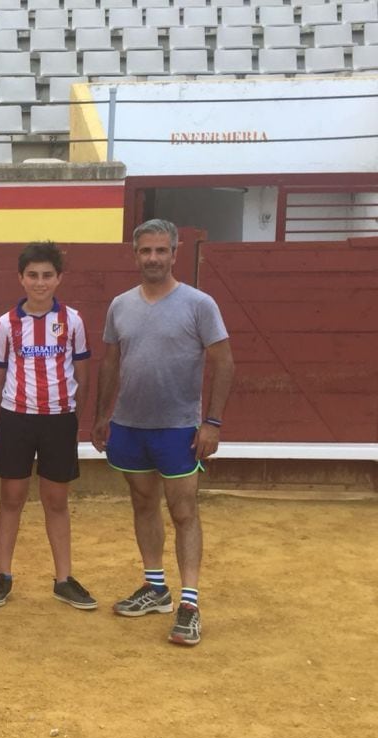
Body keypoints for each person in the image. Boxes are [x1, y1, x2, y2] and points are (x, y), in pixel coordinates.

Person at [92, 219, 235, 647]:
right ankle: (156, 588)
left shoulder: (198, 303)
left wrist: (212, 422)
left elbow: (224, 362)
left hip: (179, 427)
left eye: (160, 251)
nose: (152, 258)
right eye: (145, 251)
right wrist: (102, 416)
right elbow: (110, 362)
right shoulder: (120, 305)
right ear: (135, 254)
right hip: (130, 424)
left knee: (183, 510)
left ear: (175, 254)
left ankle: (189, 603)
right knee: (142, 502)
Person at [0, 242, 97, 612]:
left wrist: (72, 412)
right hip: (16, 418)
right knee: (10, 498)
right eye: (33, 275)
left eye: (47, 275)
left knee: (56, 501)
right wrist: (5, 415)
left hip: (59, 418)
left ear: (59, 278)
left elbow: (81, 371)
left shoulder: (73, 321)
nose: (40, 282)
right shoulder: (6, 323)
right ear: (21, 278)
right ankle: (3, 574)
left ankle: (63, 579)